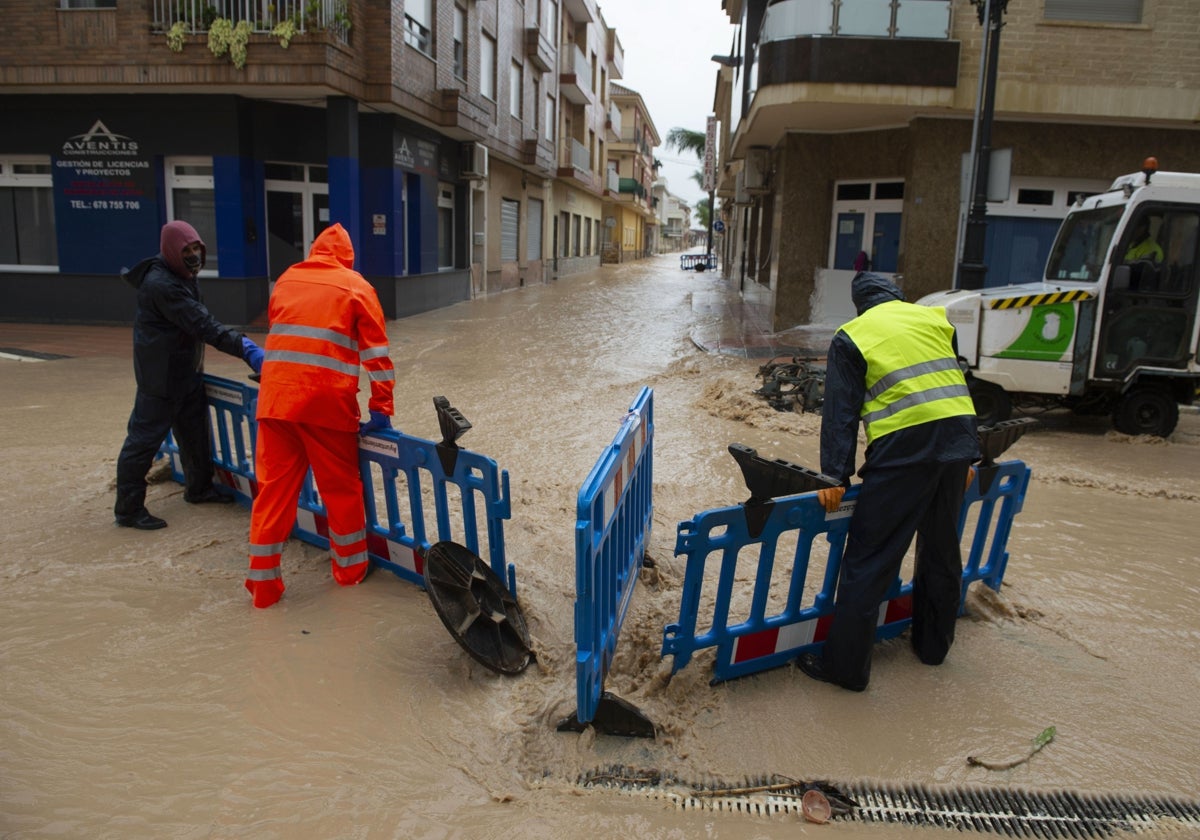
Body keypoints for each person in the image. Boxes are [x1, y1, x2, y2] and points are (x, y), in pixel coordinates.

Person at [797, 272, 980, 691]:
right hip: (955, 443)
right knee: (941, 550)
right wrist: (972, 452)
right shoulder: (934, 320)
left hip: (904, 451)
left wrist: (833, 476)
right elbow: (954, 385)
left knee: (869, 561)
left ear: (861, 305)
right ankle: (933, 651)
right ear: (899, 295)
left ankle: (846, 671)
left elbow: (840, 413)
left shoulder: (852, 336)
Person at [244, 223, 394, 609]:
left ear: (314, 251)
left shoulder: (287, 280)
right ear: (347, 257)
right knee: (341, 492)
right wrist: (381, 408)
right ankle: (349, 575)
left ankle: (263, 590)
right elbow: (377, 357)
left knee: (273, 494)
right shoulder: (357, 286)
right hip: (326, 406)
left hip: (276, 402)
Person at [114, 220, 264, 530]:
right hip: (160, 379)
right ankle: (128, 510)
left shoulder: (182, 275)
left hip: (186, 372)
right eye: (187, 250)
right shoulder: (162, 284)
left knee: (195, 435)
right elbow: (203, 325)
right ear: (171, 251)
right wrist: (247, 349)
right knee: (142, 442)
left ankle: (200, 489)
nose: (194, 255)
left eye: (197, 248)